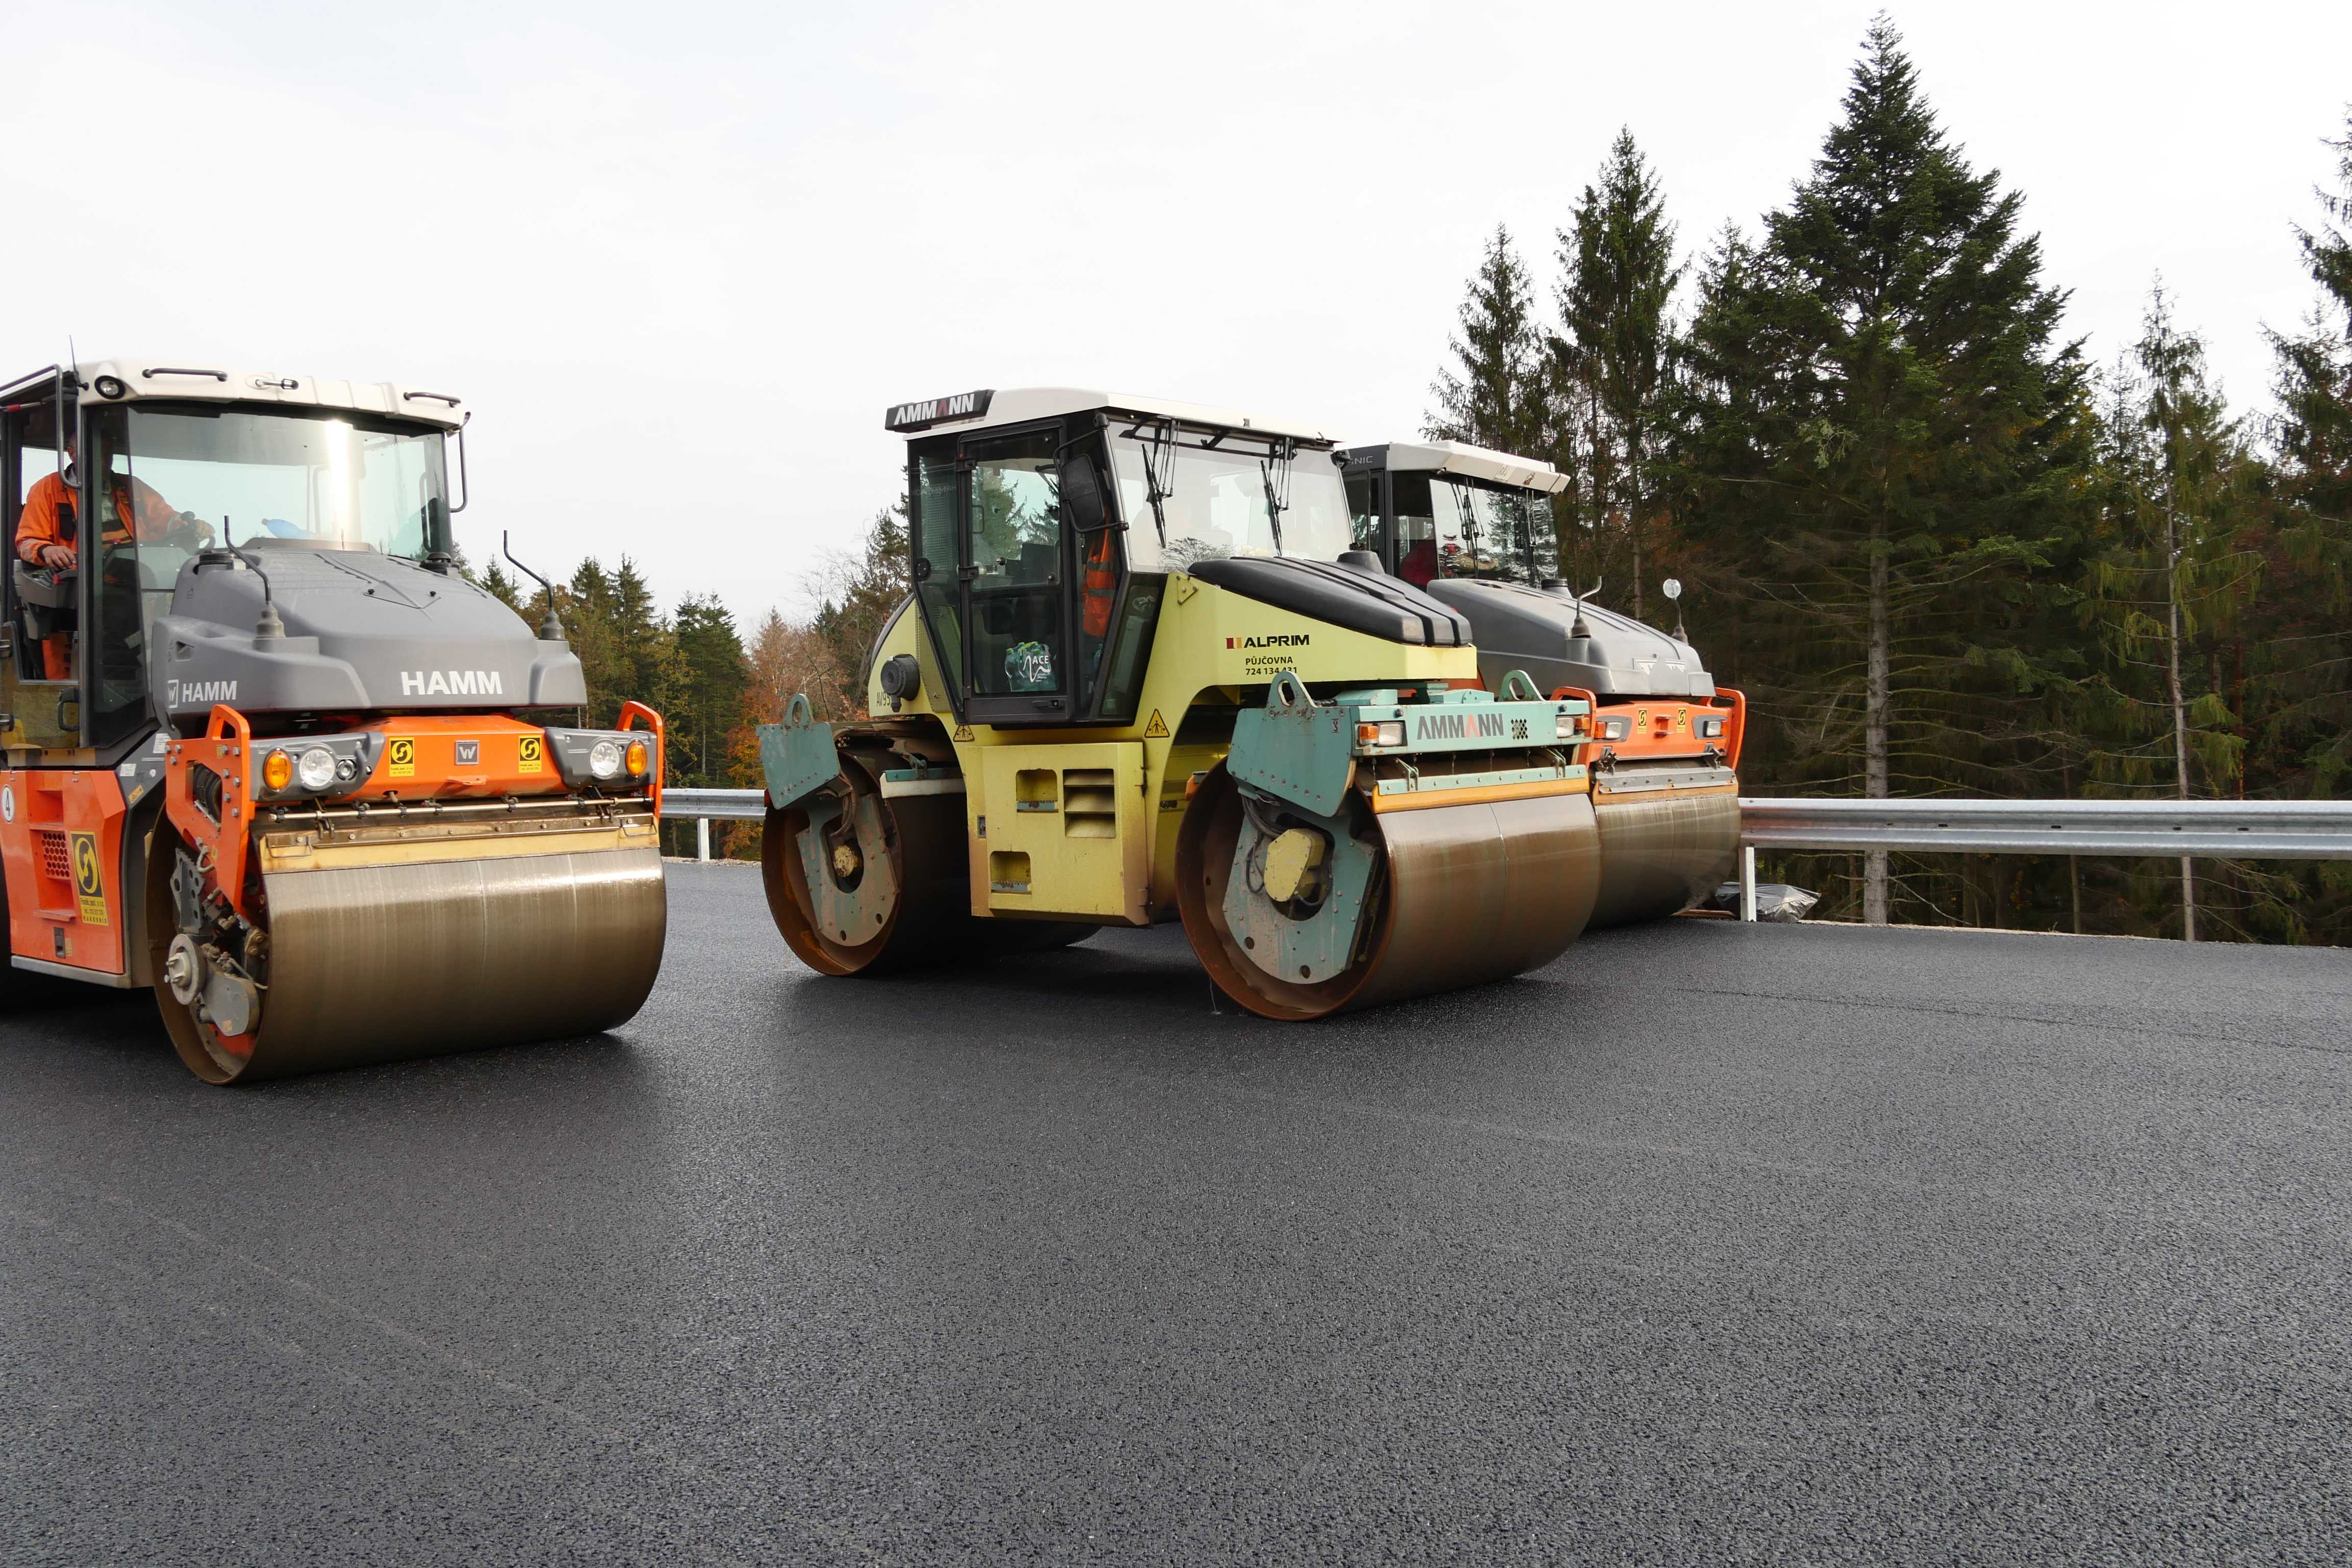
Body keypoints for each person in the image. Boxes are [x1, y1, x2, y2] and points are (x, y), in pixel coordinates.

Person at [14, 436, 196, 678]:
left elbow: (165, 518)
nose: (102, 461)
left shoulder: (130, 486)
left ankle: (167, 671)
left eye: (107, 454)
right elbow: (27, 541)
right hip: (87, 585)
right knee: (124, 614)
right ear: (71, 453)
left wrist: (185, 524)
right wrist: (48, 550)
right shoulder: (47, 489)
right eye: (95, 453)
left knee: (189, 600)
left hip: (140, 578)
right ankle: (146, 671)